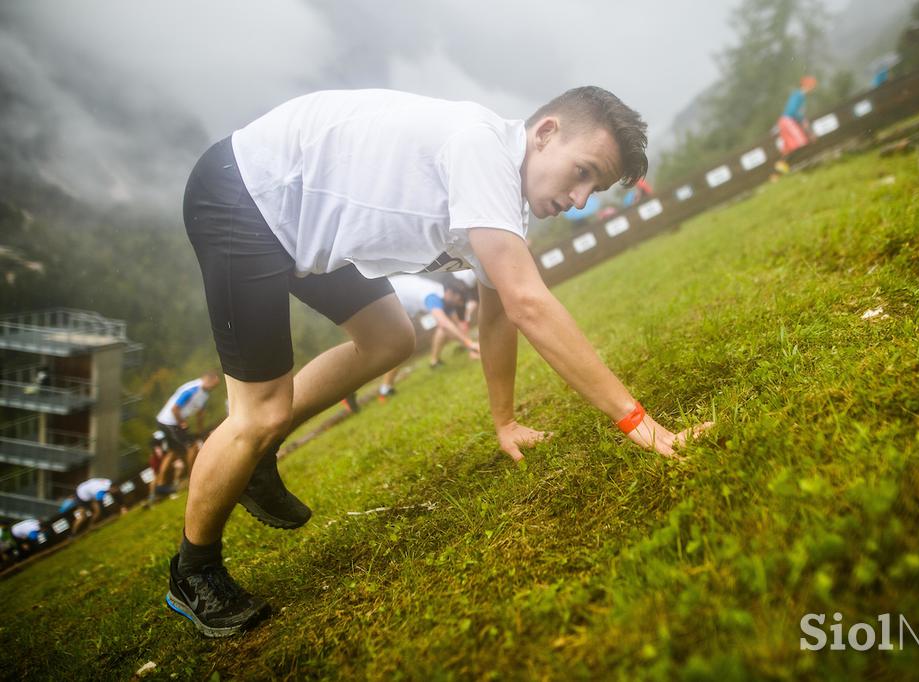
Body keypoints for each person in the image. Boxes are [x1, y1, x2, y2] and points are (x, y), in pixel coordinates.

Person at [168, 86, 713, 637]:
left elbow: (498, 312)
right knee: (257, 412)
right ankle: (193, 572)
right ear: (546, 132)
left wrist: (505, 421)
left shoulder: (502, 202)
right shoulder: (481, 150)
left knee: (388, 339)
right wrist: (638, 423)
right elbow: (529, 303)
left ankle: (257, 456)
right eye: (582, 172)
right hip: (247, 195)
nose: (580, 199)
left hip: (300, 217)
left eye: (593, 187)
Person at [377, 274, 478, 398]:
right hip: (383, 300)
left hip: (395, 300)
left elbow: (455, 324)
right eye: (459, 300)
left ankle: (434, 362)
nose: (459, 303)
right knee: (400, 345)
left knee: (445, 326)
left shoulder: (444, 296)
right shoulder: (433, 296)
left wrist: (471, 349)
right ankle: (385, 389)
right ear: (450, 293)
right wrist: (470, 344)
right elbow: (444, 323)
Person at [155, 372, 220, 475]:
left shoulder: (205, 394)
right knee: (192, 447)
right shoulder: (192, 389)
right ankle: (193, 476)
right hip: (168, 421)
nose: (214, 388)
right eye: (214, 385)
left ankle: (160, 484)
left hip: (173, 422)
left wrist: (200, 431)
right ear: (207, 380)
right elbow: (175, 409)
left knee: (172, 453)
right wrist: (182, 423)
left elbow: (200, 414)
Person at [774, 75, 817, 172]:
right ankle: (787, 168)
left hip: (787, 121)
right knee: (800, 143)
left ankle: (779, 171)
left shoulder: (800, 96)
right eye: (812, 86)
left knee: (790, 147)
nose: (812, 89)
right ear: (808, 85)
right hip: (787, 120)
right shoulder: (798, 95)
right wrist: (802, 120)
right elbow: (792, 111)